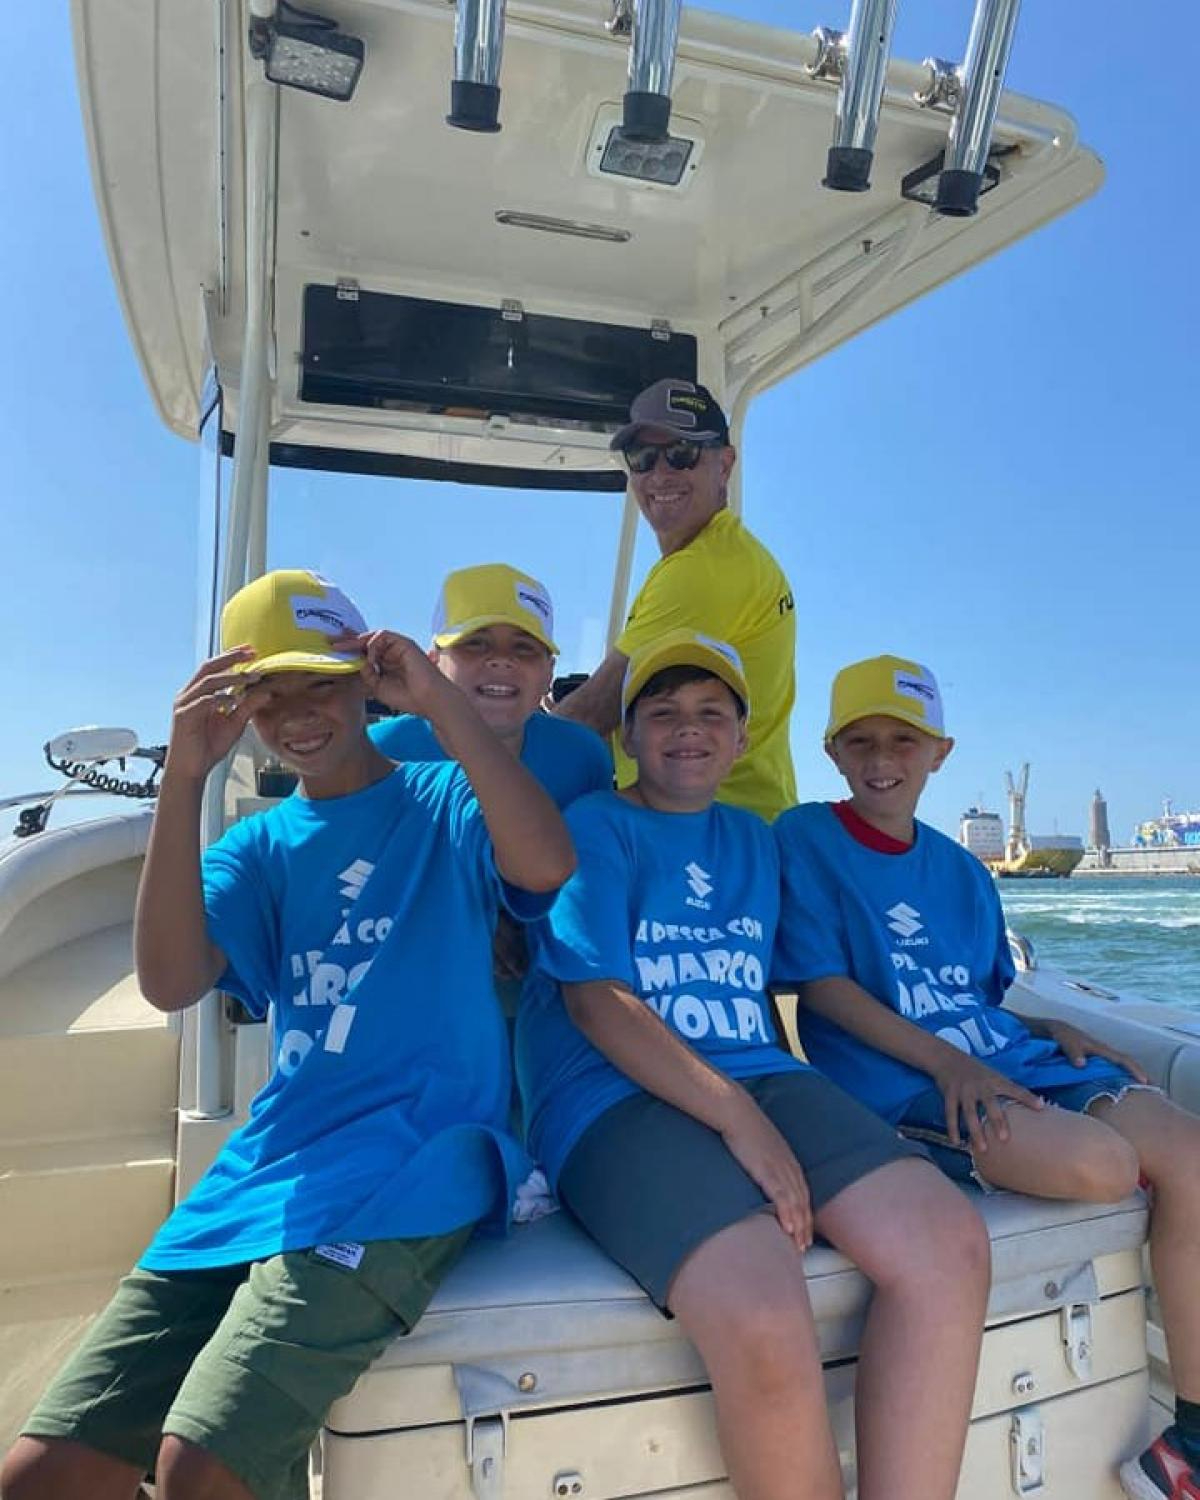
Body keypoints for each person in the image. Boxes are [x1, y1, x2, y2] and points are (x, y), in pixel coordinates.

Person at [1, 568, 574, 1500]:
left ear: (366, 684)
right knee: (43, 1472)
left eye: (323, 685)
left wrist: (438, 700)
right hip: (270, 1169)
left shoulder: (447, 800)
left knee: (198, 1466)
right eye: (270, 696)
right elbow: (170, 980)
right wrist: (187, 775)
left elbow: (545, 861)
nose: (299, 715)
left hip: (410, 1169)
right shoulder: (256, 849)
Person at [518, 629, 990, 1500]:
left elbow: (865, 938)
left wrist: (1012, 1039)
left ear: (742, 739)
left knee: (948, 1244)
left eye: (711, 713)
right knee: (765, 1307)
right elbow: (596, 1003)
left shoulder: (757, 840)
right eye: (662, 711)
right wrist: (740, 1121)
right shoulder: (594, 825)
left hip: (763, 1073)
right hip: (610, 1091)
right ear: (627, 736)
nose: (687, 729)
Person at [772, 653, 1200, 1500]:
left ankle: (1188, 1439)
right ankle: (926, 1147)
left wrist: (1045, 1027)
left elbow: (973, 997)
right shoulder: (805, 838)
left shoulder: (964, 871)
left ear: (940, 751)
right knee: (1103, 1166)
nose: (881, 758)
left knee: (1188, 1153)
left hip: (1002, 1056)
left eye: (903, 739)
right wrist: (947, 1063)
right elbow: (822, 988)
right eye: (861, 740)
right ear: (832, 752)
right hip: (909, 1082)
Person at [553, 378, 796, 823]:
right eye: (642, 457)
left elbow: (587, 718)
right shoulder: (725, 555)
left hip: (712, 837)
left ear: (725, 465)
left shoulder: (705, 571)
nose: (660, 474)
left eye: (682, 453)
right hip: (730, 826)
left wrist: (463, 753)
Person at [370, 561, 611, 809]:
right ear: (432, 663)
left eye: (524, 647)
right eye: (475, 643)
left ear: (548, 673)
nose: (501, 660)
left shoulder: (584, 757)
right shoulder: (374, 752)